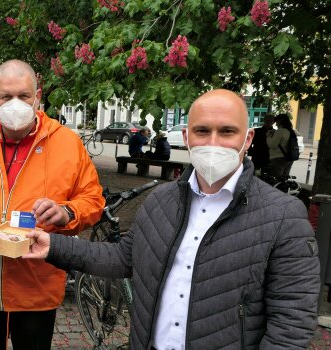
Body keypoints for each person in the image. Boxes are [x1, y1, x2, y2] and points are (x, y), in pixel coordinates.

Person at [24, 89, 320, 349]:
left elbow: (292, 323)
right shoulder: (162, 201)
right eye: (202, 131)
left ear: (248, 138)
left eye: (227, 132)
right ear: (187, 137)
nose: (213, 143)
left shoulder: (282, 216)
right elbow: (122, 257)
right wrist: (53, 246)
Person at [0, 59, 105, 350]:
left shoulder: (67, 143)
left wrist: (67, 212)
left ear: (38, 96)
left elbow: (93, 200)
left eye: (24, 96)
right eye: (6, 97)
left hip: (37, 288)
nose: (15, 103)